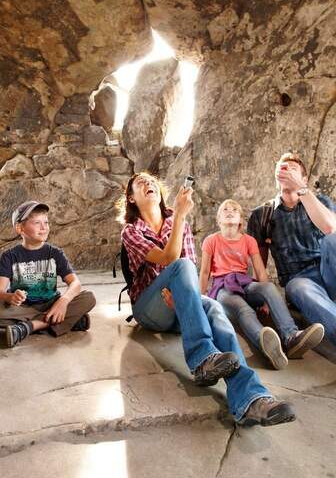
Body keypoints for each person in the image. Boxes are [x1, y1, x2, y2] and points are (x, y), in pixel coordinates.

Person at [118, 172, 296, 427]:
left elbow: (188, 272)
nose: (148, 184)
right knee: (179, 266)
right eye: (140, 183)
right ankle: (202, 357)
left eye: (151, 181)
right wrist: (179, 214)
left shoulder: (179, 226)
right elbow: (170, 260)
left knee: (213, 306)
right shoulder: (131, 231)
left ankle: (251, 400)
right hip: (150, 307)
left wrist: (183, 290)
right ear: (131, 198)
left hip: (179, 303)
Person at [199, 199, 324, 370]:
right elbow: (205, 272)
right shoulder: (211, 240)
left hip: (244, 282)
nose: (229, 211)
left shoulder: (248, 240)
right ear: (219, 219)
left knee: (268, 287)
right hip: (223, 287)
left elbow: (260, 270)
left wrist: (265, 301)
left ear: (240, 219)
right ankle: (266, 344)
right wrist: (201, 300)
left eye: (234, 209)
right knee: (243, 308)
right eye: (225, 209)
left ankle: (291, 336)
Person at [248, 152, 336, 346]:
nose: (286, 170)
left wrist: (301, 189)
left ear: (304, 178)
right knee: (297, 288)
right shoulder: (262, 214)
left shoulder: (320, 201)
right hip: (300, 279)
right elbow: (258, 262)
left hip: (330, 270)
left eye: (293, 169)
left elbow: (330, 227)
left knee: (332, 241)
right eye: (282, 167)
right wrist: (262, 298)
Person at [0, 201, 96, 347]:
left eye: (46, 222)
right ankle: (68, 321)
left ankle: (28, 327)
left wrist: (63, 302)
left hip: (52, 304)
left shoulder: (55, 253)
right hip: (23, 309)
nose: (44, 227)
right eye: (37, 223)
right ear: (20, 228)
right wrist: (10, 296)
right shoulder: (10, 256)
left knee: (89, 297)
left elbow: (75, 284)